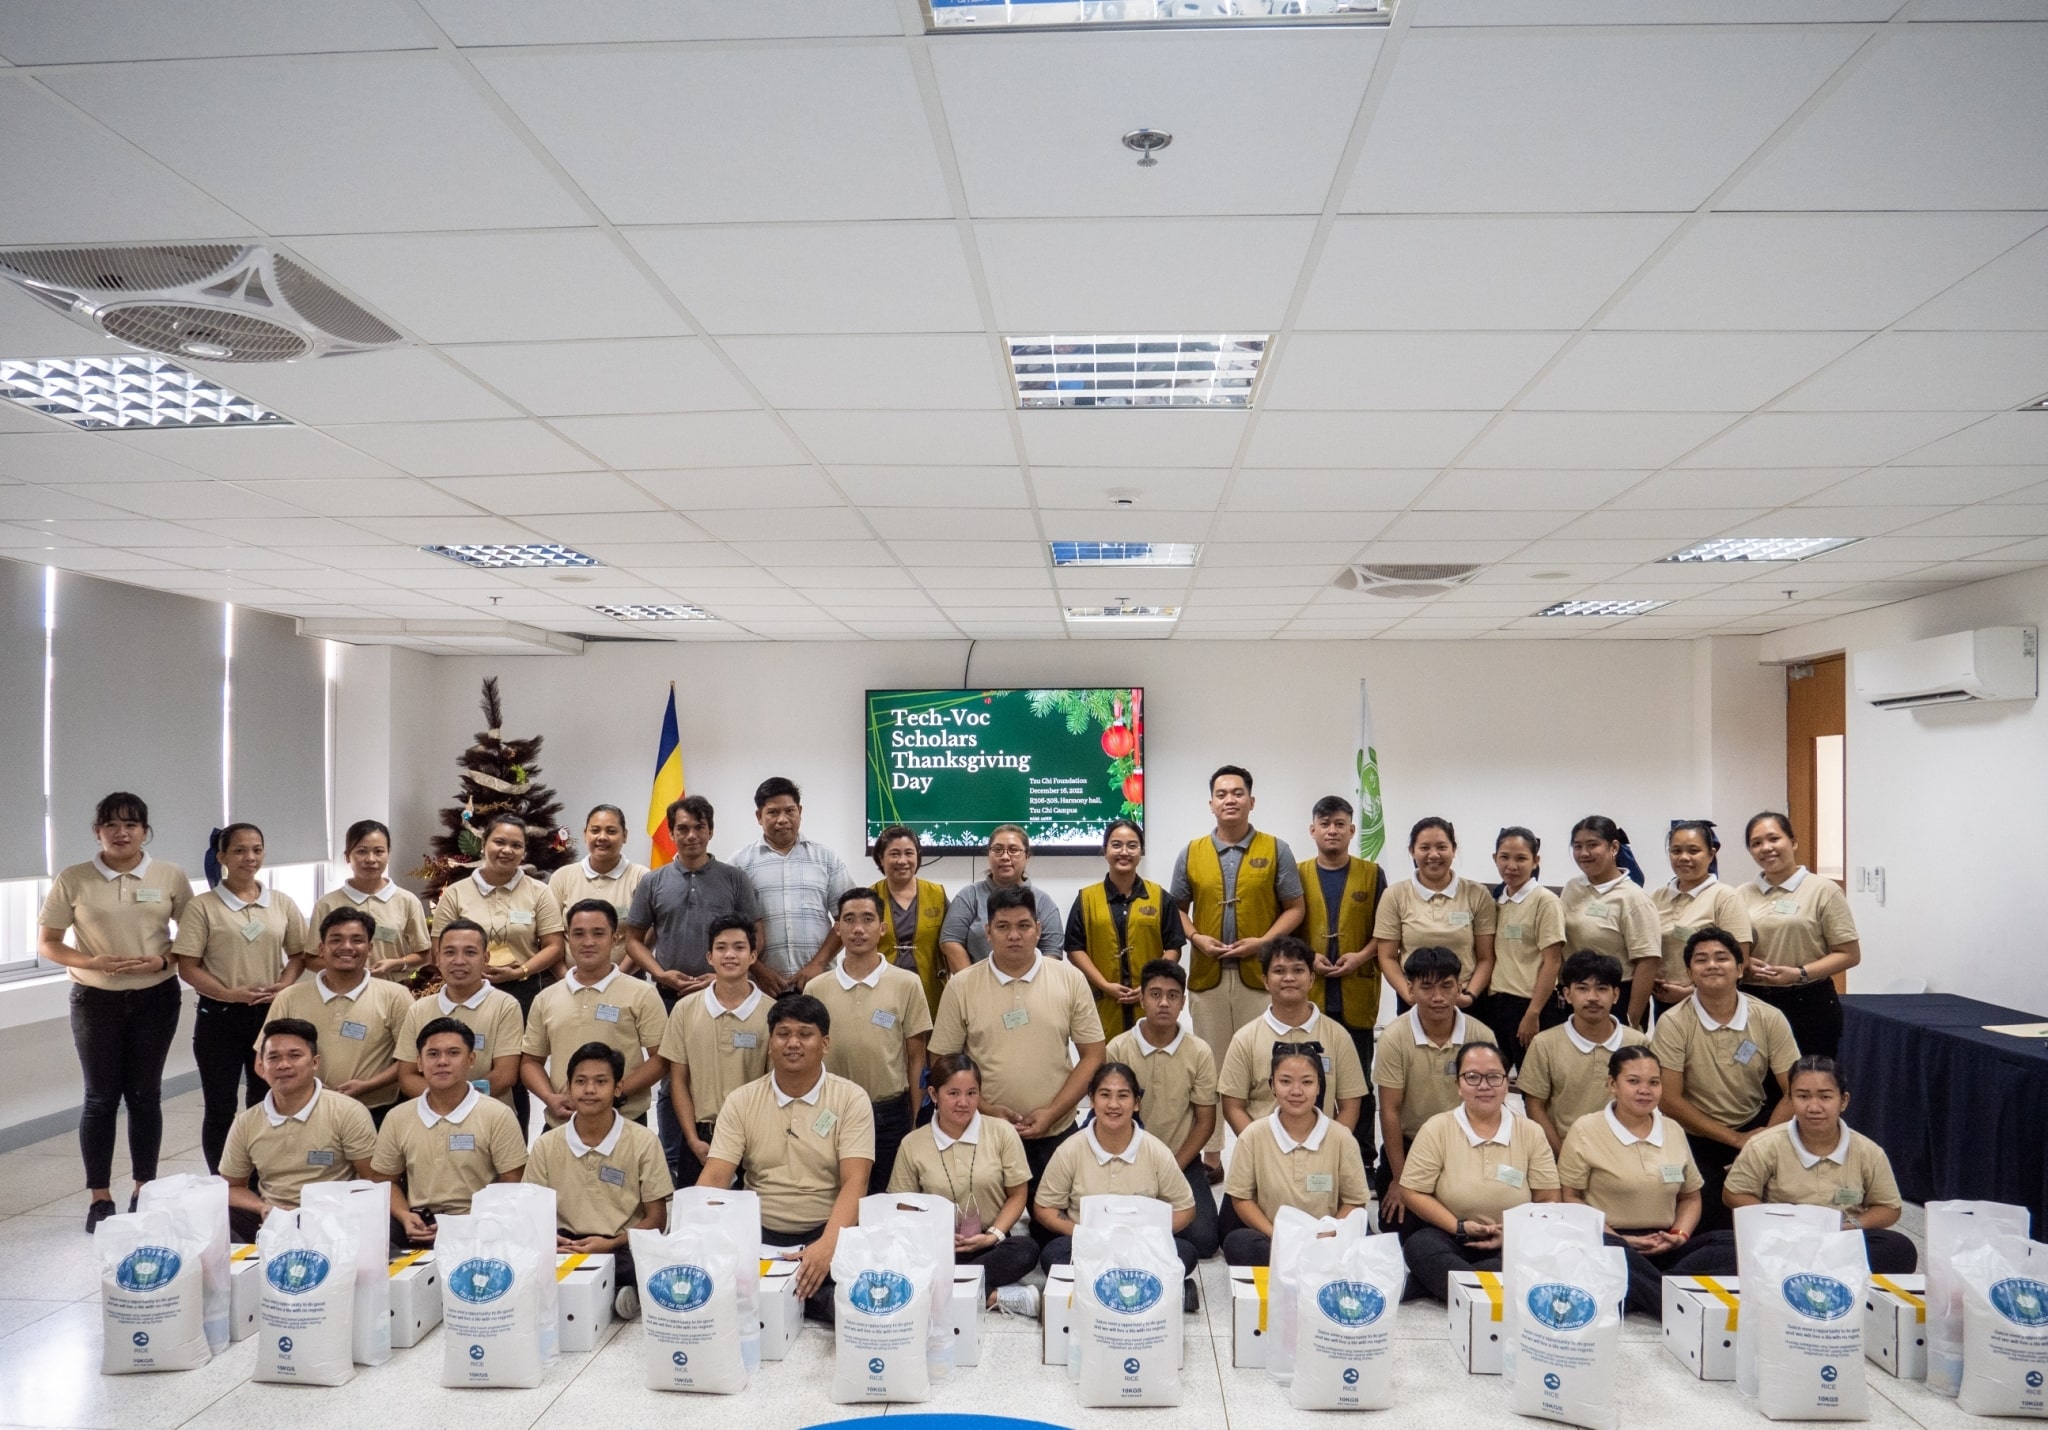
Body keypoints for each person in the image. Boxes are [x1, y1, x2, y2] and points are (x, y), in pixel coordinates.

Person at [40, 792, 194, 1233]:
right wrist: (91, 962)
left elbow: (193, 938)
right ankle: (99, 1198)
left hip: (156, 997)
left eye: (131, 824)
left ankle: (144, 1190)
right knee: (100, 1098)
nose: (121, 832)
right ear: (97, 831)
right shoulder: (74, 878)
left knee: (145, 1095)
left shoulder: (170, 875)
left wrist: (163, 963)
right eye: (111, 824)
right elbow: (48, 943)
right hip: (95, 1000)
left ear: (146, 831)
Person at [928, 885, 1107, 1222]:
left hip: (1055, 1131)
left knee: (1055, 1239)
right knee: (980, 1234)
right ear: (988, 932)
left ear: (1038, 929)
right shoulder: (962, 985)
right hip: (984, 1132)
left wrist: (1052, 1112)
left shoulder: (1070, 979)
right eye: (1003, 927)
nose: (1014, 935)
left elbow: (1094, 1055)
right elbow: (941, 1061)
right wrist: (987, 1110)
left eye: (1024, 926)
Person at [700, 994, 876, 1324]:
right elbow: (714, 1177)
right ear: (770, 1043)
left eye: (804, 1034)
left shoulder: (850, 1098)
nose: (792, 1043)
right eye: (783, 1034)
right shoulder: (742, 1100)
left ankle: (790, 1293)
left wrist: (826, 1247)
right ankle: (798, 1294)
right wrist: (693, 1236)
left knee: (865, 1303)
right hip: (758, 1234)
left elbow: (856, 1182)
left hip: (825, 1229)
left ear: (824, 1043)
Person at [1171, 765, 1306, 1182]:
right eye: (1221, 793)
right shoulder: (1191, 851)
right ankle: (1212, 1157)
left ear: (1251, 800)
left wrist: (1263, 942)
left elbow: (1295, 908)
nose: (1230, 799)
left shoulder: (1276, 848)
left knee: (1262, 1065)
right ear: (1211, 803)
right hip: (1208, 977)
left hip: (1258, 978)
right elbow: (1175, 909)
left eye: (1237, 793)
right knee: (1209, 1069)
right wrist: (1195, 938)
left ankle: (1264, 1148)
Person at [171, 822, 311, 1173]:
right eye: (239, 850)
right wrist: (229, 993)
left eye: (257, 850)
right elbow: (187, 966)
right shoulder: (203, 907)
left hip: (269, 1018)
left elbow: (298, 954)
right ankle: (222, 1183)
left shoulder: (281, 902)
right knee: (219, 1106)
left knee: (265, 1100)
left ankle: (261, 1176)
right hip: (219, 1017)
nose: (250, 858)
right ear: (222, 857)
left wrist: (285, 984)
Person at [1651, 926, 1800, 1234]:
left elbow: (1794, 1091)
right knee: (1709, 1217)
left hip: (1758, 1126)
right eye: (1701, 959)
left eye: (1722, 958)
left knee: (1779, 1211)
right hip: (1695, 1135)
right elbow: (1669, 1100)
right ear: (1690, 972)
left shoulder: (1769, 1017)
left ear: (1740, 968)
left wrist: (1760, 1140)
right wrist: (1735, 1141)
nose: (1712, 965)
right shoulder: (1674, 1022)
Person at [1717, 1055, 1915, 1274]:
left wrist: (1850, 1226)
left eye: (1825, 1097)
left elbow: (1889, 1208)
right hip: (1780, 1239)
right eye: (1802, 1096)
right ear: (1791, 1100)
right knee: (1715, 1253)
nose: (1813, 1107)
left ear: (1844, 1101)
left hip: (1840, 1240)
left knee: (1899, 1248)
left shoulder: (1868, 1152)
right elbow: (1734, 1194)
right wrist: (1782, 1221)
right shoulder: (1763, 1145)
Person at [522, 1042, 675, 1322]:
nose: (589, 1090)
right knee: (522, 1259)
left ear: (618, 1088)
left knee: (646, 1260)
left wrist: (611, 1243)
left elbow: (657, 1218)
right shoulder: (546, 1144)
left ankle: (619, 1291)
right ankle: (611, 1294)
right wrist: (550, 1240)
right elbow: (530, 1213)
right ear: (568, 1087)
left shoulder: (642, 1141)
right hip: (565, 1242)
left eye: (601, 1082)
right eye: (580, 1081)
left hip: (620, 1243)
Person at [1398, 1042, 1561, 1302]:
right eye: (1472, 1077)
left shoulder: (1530, 1131)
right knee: (1419, 1246)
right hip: (1451, 1235)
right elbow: (1412, 1191)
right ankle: (1494, 1289)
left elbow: (1549, 1198)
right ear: (1458, 1086)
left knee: (1541, 1253)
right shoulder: (1437, 1127)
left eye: (1494, 1077)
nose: (1484, 1086)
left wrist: (1510, 1236)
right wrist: (1459, 1227)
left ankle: (1439, 1285)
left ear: (1507, 1083)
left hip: (1511, 1241)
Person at [1032, 1062, 1201, 1311]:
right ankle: (1163, 1293)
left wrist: (1146, 1235)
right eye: (1105, 1095)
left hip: (1140, 1245)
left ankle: (1097, 1294)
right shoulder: (1071, 1149)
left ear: (1136, 1103)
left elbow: (1186, 1208)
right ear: (1091, 1100)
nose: (1113, 1105)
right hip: (1090, 1244)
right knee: (1054, 1255)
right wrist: (1083, 1232)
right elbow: (1044, 1208)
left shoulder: (1155, 1150)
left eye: (1123, 1096)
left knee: (1186, 1252)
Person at [887, 1052, 1040, 1316]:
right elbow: (902, 1207)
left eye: (972, 1093)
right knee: (899, 1257)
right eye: (953, 1093)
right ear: (934, 1095)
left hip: (990, 1241)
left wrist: (992, 1235)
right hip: (937, 1246)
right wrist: (937, 1239)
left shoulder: (1001, 1132)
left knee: (1026, 1249)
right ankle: (991, 1296)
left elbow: (1018, 1195)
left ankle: (941, 1290)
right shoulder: (913, 1143)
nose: (963, 1102)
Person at [1558, 1045, 1704, 1316]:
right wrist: (1623, 1240)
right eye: (1633, 1081)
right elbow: (1570, 1198)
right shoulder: (1586, 1129)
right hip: (1611, 1239)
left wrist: (1679, 1235)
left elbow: (1691, 1197)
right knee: (1599, 1252)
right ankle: (1676, 1308)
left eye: (1654, 1082)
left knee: (1727, 1244)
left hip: (1665, 1241)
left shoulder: (1672, 1129)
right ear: (1612, 1084)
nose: (1645, 1090)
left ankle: (1639, 1291)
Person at [805, 887, 932, 1192]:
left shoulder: (907, 984)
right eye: (849, 920)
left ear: (882, 928)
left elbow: (917, 1057)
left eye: (867, 919)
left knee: (886, 1201)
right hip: (831, 1113)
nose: (858, 929)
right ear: (838, 928)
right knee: (836, 1198)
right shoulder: (816, 988)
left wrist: (917, 1121)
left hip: (889, 1114)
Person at [1371, 946, 1498, 1227]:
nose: (1437, 997)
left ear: (1460, 987)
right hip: (1410, 1148)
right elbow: (1389, 1112)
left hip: (1467, 1146)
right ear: (1410, 989)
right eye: (1426, 987)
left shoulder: (1481, 1034)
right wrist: (1402, 1181)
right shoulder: (1394, 1038)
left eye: (1446, 986)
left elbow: (1490, 1105)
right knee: (1399, 1222)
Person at [374, 1015, 527, 1247]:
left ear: (471, 1059)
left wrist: (468, 1225)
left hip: (481, 1229)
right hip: (419, 1226)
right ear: (419, 1062)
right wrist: (405, 1216)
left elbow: (512, 1183)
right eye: (433, 1054)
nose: (442, 1062)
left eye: (453, 1053)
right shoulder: (398, 1117)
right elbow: (386, 1181)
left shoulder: (498, 1114)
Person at [218, 1018, 377, 1242]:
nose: (283, 1065)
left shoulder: (347, 1112)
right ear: (261, 1067)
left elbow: (373, 1181)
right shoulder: (246, 1122)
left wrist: (332, 1212)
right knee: (216, 1219)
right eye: (274, 1057)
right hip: (273, 1218)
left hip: (336, 1218)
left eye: (294, 1055)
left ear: (315, 1062)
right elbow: (231, 1187)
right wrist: (262, 1208)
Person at [1104, 959, 1220, 1260]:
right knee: (1105, 1225)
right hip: (1126, 1158)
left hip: (1180, 1158)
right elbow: (1109, 1115)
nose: (1164, 1003)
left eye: (1173, 995)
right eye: (1155, 994)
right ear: (1141, 998)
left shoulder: (1199, 1051)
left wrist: (1169, 1168)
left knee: (1206, 1240)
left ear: (1183, 1002)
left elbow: (1205, 1122)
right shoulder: (1119, 1047)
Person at [521, 899, 668, 1129]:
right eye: (579, 934)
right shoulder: (546, 998)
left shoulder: (642, 994)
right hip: (562, 1122)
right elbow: (530, 1061)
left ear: (615, 938)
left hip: (625, 1121)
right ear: (568, 939)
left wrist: (614, 1093)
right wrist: (550, 1098)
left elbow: (661, 1059)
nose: (588, 942)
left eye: (598, 933)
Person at [264, 907, 415, 1126]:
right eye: (336, 940)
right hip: (306, 1112)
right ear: (322, 948)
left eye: (357, 940)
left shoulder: (395, 996)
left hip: (376, 1112)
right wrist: (307, 1086)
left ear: (370, 948)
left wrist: (368, 1085)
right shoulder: (289, 997)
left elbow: (410, 1060)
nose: (346, 947)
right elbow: (264, 1058)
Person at [1222, 1046, 1372, 1266]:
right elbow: (1241, 1199)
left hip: (1327, 1239)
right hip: (1274, 1237)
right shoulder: (1253, 1136)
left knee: (1366, 1245)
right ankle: (1308, 1266)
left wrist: (1327, 1235)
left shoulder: (1341, 1138)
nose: (1296, 1091)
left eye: (1307, 1082)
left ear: (1319, 1086)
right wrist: (1278, 1236)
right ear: (1272, 1085)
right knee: (1239, 1243)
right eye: (1285, 1081)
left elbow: (1355, 1201)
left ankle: (1307, 1265)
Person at [656, 914, 770, 1187]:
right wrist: (693, 1139)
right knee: (695, 1223)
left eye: (739, 947)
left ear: (753, 956)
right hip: (699, 1138)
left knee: (748, 1225)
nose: (730, 955)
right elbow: (679, 1080)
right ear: (709, 957)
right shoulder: (685, 1009)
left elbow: (773, 1086)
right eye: (721, 948)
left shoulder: (771, 1012)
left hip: (755, 1141)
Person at [623, 794, 763, 1010]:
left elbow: (757, 935)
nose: (691, 836)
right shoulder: (652, 881)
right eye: (682, 829)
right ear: (671, 833)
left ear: (711, 831)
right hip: (668, 995)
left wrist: (721, 975)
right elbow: (633, 940)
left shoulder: (735, 878)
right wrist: (660, 974)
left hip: (724, 993)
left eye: (699, 827)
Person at [1740, 812, 1861, 1058]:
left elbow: (1849, 954)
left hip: (1808, 1002)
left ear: (1793, 842)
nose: (1767, 848)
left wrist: (1799, 974)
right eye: (1757, 843)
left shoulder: (1823, 890)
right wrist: (1743, 963)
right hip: (1753, 1001)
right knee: (1756, 1082)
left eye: (1774, 838)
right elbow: (1733, 946)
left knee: (1807, 1082)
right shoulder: (1740, 894)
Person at [1218, 937, 1367, 1135]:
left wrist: (1329, 1148)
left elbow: (1350, 1106)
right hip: (1264, 1155)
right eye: (1279, 971)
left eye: (1298, 970)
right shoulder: (1245, 1039)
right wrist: (1259, 1149)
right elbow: (1232, 1107)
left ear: (1312, 979)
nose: (1289, 978)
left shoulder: (1338, 1036)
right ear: (1265, 981)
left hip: (1323, 1156)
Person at [430, 815, 566, 1031]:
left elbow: (555, 946)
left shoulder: (539, 891)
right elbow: (438, 949)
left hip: (525, 988)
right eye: (499, 842)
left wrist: (520, 971)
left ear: (523, 852)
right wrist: (468, 971)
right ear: (484, 845)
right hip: (466, 987)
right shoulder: (456, 893)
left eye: (516, 845)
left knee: (517, 1056)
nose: (507, 850)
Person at [1298, 796, 1386, 1118]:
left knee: (1359, 1081)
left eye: (1339, 824)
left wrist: (1361, 956)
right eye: (1324, 824)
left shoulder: (1373, 874)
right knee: (1311, 1081)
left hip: (1356, 991)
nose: (1331, 831)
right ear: (1312, 830)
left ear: (1351, 830)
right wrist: (1310, 958)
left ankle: (1362, 1156)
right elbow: (1290, 931)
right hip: (1311, 992)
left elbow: (1386, 933)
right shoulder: (1297, 873)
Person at [1064, 818, 1186, 1038]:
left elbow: (1174, 946)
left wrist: (1150, 983)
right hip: (1103, 1002)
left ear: (1141, 851)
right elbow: (1074, 948)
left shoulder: (1159, 897)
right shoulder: (1086, 899)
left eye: (1132, 845)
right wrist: (1104, 984)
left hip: (1150, 1001)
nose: (1124, 852)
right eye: (1116, 845)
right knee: (1105, 1066)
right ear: (1104, 850)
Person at [1519, 951, 1650, 1156]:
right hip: (1563, 1149)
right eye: (1582, 988)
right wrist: (1563, 1154)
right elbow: (1534, 1106)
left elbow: (1647, 1103)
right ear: (1567, 994)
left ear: (1615, 995)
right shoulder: (1544, 1043)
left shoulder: (1637, 1043)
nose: (1592, 998)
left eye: (1601, 989)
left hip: (1625, 1151)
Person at [733, 777, 856, 995]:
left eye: (789, 811)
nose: (782, 819)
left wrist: (817, 964)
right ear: (759, 816)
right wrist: (758, 970)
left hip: (819, 982)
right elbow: (728, 930)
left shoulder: (826, 859)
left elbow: (846, 918)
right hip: (761, 987)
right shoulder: (739, 864)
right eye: (772, 812)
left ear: (800, 811)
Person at [395, 919, 524, 1113]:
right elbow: (407, 1076)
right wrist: (442, 1103)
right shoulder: (419, 1009)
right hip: (430, 1115)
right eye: (449, 952)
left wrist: (460, 1102)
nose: (459, 961)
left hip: (489, 1115)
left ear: (485, 958)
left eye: (470, 952)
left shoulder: (505, 1005)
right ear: (438, 958)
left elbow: (505, 1075)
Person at [1372, 817, 1496, 1013]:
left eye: (1441, 847)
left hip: (1465, 1000)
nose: (1434, 855)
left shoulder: (1477, 894)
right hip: (1414, 1001)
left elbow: (1485, 957)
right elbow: (1387, 957)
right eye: (1424, 848)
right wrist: (1410, 996)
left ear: (1453, 850)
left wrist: (1470, 995)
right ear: (1412, 851)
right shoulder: (1394, 895)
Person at [1560, 817, 1661, 1029]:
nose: (1584, 853)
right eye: (1577, 847)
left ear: (1614, 847)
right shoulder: (1572, 888)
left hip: (1616, 997)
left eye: (1592, 845)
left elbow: (1647, 962)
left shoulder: (1634, 898)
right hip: (1575, 994)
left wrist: (1631, 1020)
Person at [1650, 820, 1752, 1014]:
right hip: (1663, 1004)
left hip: (1712, 1003)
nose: (1684, 857)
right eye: (1676, 851)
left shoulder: (1725, 897)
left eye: (1693, 851)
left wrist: (1691, 992)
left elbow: (1741, 961)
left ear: (1711, 855)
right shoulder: (1657, 897)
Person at [1485, 825, 1566, 1064]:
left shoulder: (1545, 901)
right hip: (1497, 1002)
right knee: (1495, 1079)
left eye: (1521, 858)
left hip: (1531, 1004)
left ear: (1535, 861)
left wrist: (1533, 1013)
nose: (1511, 865)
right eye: (1504, 857)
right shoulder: (1497, 899)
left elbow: (1553, 961)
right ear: (1495, 859)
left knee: (1533, 1084)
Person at [309, 820, 429, 980]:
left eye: (379, 851)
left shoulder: (407, 901)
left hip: (391, 990)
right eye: (361, 851)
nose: (371, 859)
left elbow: (425, 954)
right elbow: (310, 959)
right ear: (347, 856)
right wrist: (350, 970)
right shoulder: (327, 904)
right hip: (341, 991)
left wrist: (397, 963)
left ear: (388, 855)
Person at [938, 823, 1063, 970]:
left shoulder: (1043, 901)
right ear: (988, 855)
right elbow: (950, 941)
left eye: (1013, 850)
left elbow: (1052, 951)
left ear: (1027, 856)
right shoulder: (969, 896)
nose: (1005, 857)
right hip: (979, 987)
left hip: (1032, 987)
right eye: (997, 850)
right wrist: (971, 984)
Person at [547, 805, 649, 968]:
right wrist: (566, 980)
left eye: (611, 831)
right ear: (585, 834)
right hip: (567, 981)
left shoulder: (641, 877)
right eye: (595, 831)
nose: (602, 837)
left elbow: (646, 937)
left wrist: (618, 979)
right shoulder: (562, 877)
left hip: (627, 981)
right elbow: (550, 937)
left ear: (625, 835)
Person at [871, 824, 950, 1015]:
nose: (902, 860)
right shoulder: (869, 897)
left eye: (909, 853)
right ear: (881, 858)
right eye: (894, 854)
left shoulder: (937, 894)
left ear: (918, 856)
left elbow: (952, 941)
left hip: (931, 991)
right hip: (882, 991)